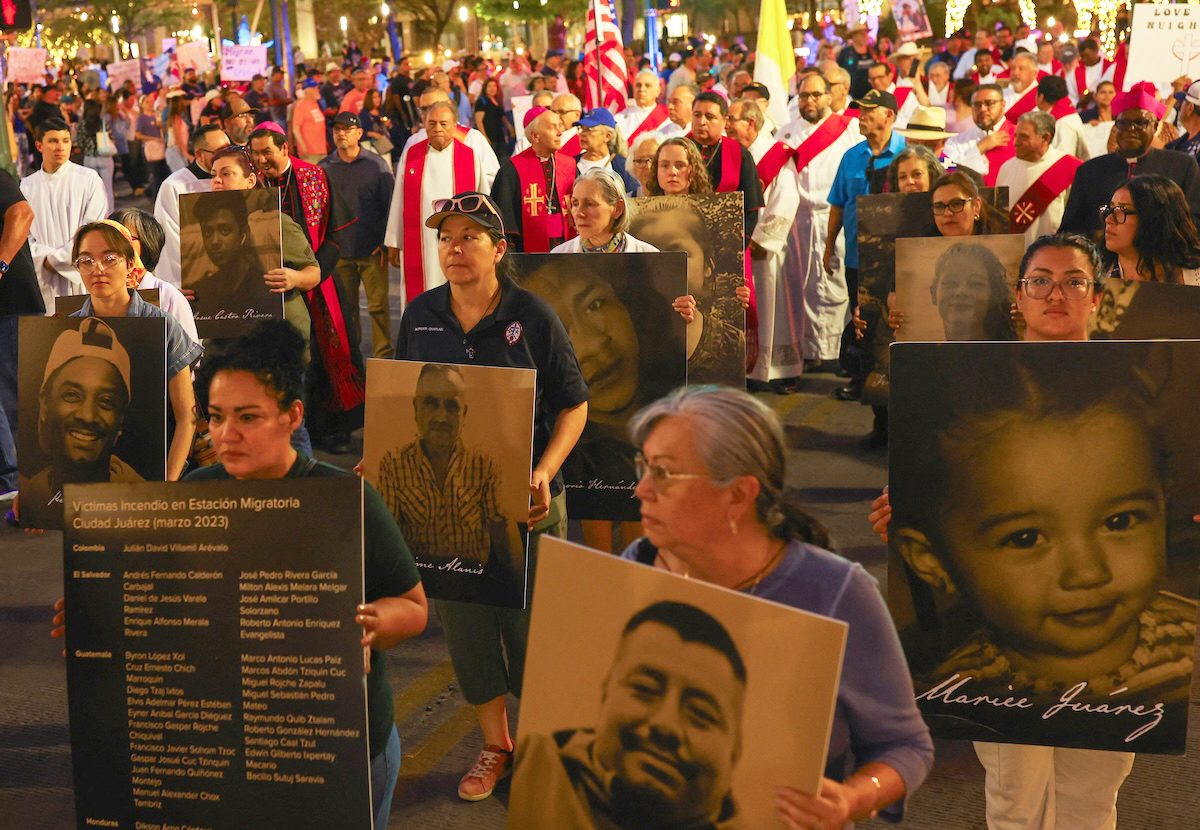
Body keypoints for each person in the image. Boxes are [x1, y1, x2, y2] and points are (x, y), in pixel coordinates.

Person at [620, 385, 934, 828]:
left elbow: (906, 745)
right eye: (644, 467)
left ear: (738, 495)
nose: (642, 490)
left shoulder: (834, 592)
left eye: (665, 473)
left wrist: (850, 800)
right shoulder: (637, 566)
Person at [180, 320, 426, 830]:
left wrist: (369, 622)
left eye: (248, 417)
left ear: (293, 416)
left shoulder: (344, 499)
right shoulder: (193, 495)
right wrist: (102, 604)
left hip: (340, 739)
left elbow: (414, 607)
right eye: (216, 417)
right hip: (232, 740)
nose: (225, 435)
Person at [393, 192, 588, 802]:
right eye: (446, 238)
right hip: (446, 515)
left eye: (469, 237)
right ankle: (496, 746)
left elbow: (574, 406)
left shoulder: (534, 316)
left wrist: (544, 470)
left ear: (499, 249)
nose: (454, 248)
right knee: (470, 634)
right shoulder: (421, 315)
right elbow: (401, 407)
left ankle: (543, 745)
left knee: (537, 632)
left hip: (528, 505)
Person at [509, 600, 750, 828]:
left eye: (700, 713)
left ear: (735, 751)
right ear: (605, 694)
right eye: (644, 688)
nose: (666, 724)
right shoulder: (526, 768)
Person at [249, 123, 364, 454]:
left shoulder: (314, 176)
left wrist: (313, 272)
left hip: (320, 281)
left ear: (284, 149)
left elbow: (336, 236)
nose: (261, 160)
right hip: (272, 287)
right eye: (255, 153)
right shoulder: (251, 185)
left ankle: (331, 430)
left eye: (267, 152)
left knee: (327, 354)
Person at [65, 221, 200, 480]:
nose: (98, 269)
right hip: (85, 482)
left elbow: (186, 416)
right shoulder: (66, 332)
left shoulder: (161, 326)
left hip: (153, 475)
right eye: (86, 260)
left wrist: (167, 486)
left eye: (109, 258)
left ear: (130, 265)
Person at [377, 362, 513, 573]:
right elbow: (386, 539)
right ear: (416, 409)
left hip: (472, 586)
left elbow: (502, 537)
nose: (441, 417)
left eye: (451, 406)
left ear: (464, 413)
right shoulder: (393, 465)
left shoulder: (485, 465)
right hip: (418, 580)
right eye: (431, 403)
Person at [825, 88, 905, 402]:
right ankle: (861, 380)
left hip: (894, 258)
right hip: (857, 256)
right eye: (860, 110)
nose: (862, 116)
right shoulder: (851, 156)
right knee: (860, 321)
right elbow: (837, 204)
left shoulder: (906, 155)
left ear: (889, 116)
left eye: (869, 111)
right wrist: (829, 246)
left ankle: (892, 386)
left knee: (891, 322)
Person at [20, 317, 144, 514]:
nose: (87, 416)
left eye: (106, 402)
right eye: (72, 395)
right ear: (45, 403)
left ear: (121, 419)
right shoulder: (31, 500)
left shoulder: (144, 504)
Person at [1059, 83, 1200, 236]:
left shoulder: (1182, 166)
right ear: (1115, 127)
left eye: (1140, 123)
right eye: (1123, 123)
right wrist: (1098, 237)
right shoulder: (1089, 171)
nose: (1131, 129)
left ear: (1155, 126)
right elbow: (1070, 229)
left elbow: (1194, 223)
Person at [386, 100, 490, 302]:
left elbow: (482, 200)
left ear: (455, 125)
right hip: (420, 241)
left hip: (461, 242)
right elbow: (398, 198)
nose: (438, 129)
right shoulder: (412, 156)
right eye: (432, 123)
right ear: (424, 124)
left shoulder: (469, 156)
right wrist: (393, 241)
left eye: (444, 123)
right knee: (421, 294)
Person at [320, 112, 395, 359]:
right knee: (347, 310)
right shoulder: (324, 168)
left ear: (359, 133)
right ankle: (352, 360)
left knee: (378, 307)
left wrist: (385, 242)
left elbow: (391, 205)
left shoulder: (376, 165)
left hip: (372, 250)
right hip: (340, 252)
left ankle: (383, 357)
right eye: (337, 129)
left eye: (347, 129)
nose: (341, 133)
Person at [20, 117, 108, 309]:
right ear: (39, 145)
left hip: (80, 272)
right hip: (43, 274)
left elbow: (95, 226)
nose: (60, 147)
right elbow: (23, 235)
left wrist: (59, 258)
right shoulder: (26, 186)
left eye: (65, 141)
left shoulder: (88, 179)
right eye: (53, 141)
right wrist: (43, 258)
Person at [0, 167, 40, 502]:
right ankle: (10, 481)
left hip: (11, 301)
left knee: (16, 396)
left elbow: (22, 213)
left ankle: (30, 485)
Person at [152, 123, 231, 288]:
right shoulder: (175, 185)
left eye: (229, 149)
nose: (226, 156)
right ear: (200, 155)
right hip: (194, 276)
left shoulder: (233, 177)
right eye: (219, 152)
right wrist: (181, 283)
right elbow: (170, 240)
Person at [490, 106, 577, 253]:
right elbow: (506, 222)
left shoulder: (569, 165)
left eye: (560, 126)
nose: (560, 133)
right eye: (553, 127)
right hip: (528, 254)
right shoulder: (511, 170)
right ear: (535, 136)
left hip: (567, 249)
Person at [109, 207, 199, 343]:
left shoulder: (169, 297)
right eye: (109, 237)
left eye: (125, 237)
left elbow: (189, 358)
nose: (113, 244)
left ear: (147, 243)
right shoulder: (98, 292)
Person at [997, 110, 1081, 245]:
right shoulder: (1006, 168)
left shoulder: (1070, 169)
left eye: (1023, 137)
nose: (1015, 142)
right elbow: (999, 218)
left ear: (1045, 138)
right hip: (1013, 253)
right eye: (1016, 136)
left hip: (1055, 252)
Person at [689, 91, 765, 240]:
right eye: (697, 115)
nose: (701, 121)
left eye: (710, 117)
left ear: (724, 121)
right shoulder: (677, 148)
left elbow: (751, 207)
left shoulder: (739, 153)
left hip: (728, 241)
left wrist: (740, 243)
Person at [1103, 175, 1200, 285]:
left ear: (1154, 219)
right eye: (1111, 209)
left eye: (1121, 210)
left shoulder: (1194, 277)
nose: (1108, 219)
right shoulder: (1095, 274)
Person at [943, 84, 1014, 186]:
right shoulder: (954, 141)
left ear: (1003, 104)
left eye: (989, 103)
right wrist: (979, 148)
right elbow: (946, 173)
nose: (983, 109)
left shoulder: (1019, 137)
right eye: (977, 105)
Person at [573, 108, 637, 193]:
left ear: (607, 136)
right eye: (581, 129)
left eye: (589, 129)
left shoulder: (622, 165)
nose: (583, 134)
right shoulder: (571, 163)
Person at [77, 99, 115, 214]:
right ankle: (109, 213)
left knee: (93, 189)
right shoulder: (103, 123)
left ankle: (97, 213)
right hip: (105, 157)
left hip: (89, 159)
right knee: (107, 188)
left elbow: (80, 142)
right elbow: (111, 137)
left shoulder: (82, 124)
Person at [616, 69, 668, 147]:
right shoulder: (619, 118)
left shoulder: (668, 117)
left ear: (658, 91)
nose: (642, 89)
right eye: (638, 85)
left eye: (647, 85)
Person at [133, 95, 170, 200]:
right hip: (152, 148)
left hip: (161, 147)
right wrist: (153, 138)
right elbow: (138, 135)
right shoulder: (142, 118)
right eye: (147, 102)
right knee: (156, 174)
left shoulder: (156, 115)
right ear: (142, 104)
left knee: (163, 173)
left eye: (151, 101)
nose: (150, 104)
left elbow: (164, 131)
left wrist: (161, 126)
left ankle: (153, 192)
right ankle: (155, 197)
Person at [292, 79, 327, 163]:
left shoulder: (315, 104)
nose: (317, 90)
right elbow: (295, 128)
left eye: (317, 88)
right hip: (309, 152)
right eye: (315, 88)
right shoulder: (301, 105)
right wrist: (303, 146)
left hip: (321, 150)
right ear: (307, 90)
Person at [473, 77, 510, 159]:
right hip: (490, 137)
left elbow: (502, 116)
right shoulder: (482, 101)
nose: (492, 88)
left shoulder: (497, 100)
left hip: (499, 137)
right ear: (485, 88)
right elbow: (479, 121)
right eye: (489, 86)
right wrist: (485, 138)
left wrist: (509, 127)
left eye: (494, 86)